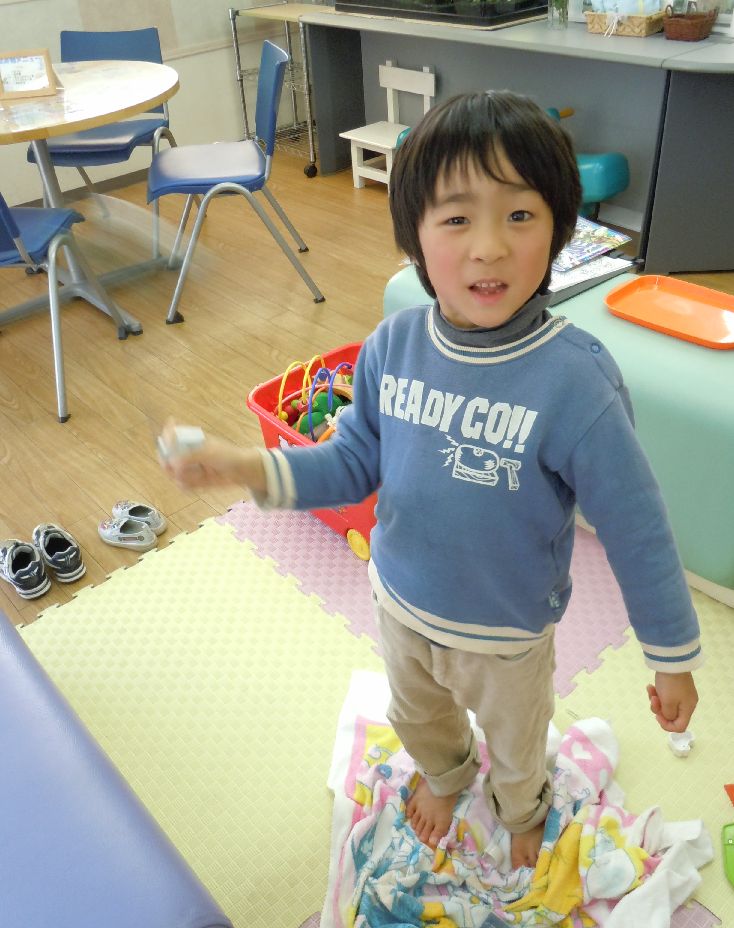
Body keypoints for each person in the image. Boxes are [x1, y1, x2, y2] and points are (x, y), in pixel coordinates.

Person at [160, 91, 701, 870]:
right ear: (414, 233)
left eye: (520, 215)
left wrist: (670, 653)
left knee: (518, 745)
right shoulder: (394, 345)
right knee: (420, 720)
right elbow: (350, 461)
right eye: (456, 218)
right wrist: (246, 465)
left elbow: (636, 525)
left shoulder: (575, 382)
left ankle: (522, 807)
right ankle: (446, 777)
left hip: (508, 639)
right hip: (401, 605)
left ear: (560, 229)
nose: (489, 247)